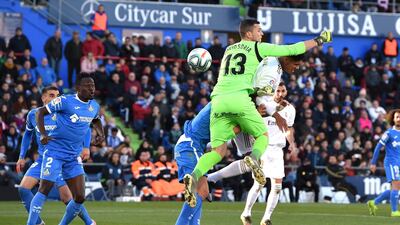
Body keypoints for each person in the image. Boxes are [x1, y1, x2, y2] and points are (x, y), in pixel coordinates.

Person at [183, 18, 332, 208]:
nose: (261, 34)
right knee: (263, 134)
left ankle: (194, 176)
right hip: (240, 99)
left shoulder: (229, 49)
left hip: (218, 100)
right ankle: (253, 159)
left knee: (217, 152)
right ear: (248, 34)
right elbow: (292, 49)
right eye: (259, 30)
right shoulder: (257, 48)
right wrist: (319, 40)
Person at [207, 83, 297, 225]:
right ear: (273, 92)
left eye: (282, 91)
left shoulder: (290, 109)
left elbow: (288, 128)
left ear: (286, 92)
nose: (280, 93)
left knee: (277, 187)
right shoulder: (264, 105)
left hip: (278, 150)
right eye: (277, 91)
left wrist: (291, 144)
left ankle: (266, 218)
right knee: (259, 183)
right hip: (262, 146)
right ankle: (247, 212)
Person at [27, 75, 105, 225]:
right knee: (44, 190)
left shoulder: (94, 105)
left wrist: (101, 134)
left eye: (93, 86)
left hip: (73, 156)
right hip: (55, 152)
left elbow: (95, 119)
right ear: (78, 89)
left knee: (80, 197)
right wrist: (43, 134)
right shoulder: (65, 101)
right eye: (88, 86)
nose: (92, 89)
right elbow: (40, 112)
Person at [368, 109, 400, 217]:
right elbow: (378, 147)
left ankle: (374, 202)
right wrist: (373, 163)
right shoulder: (389, 133)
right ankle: (394, 211)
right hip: (391, 162)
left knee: (394, 189)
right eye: (397, 117)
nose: (399, 119)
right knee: (396, 185)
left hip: (399, 163)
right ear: (393, 119)